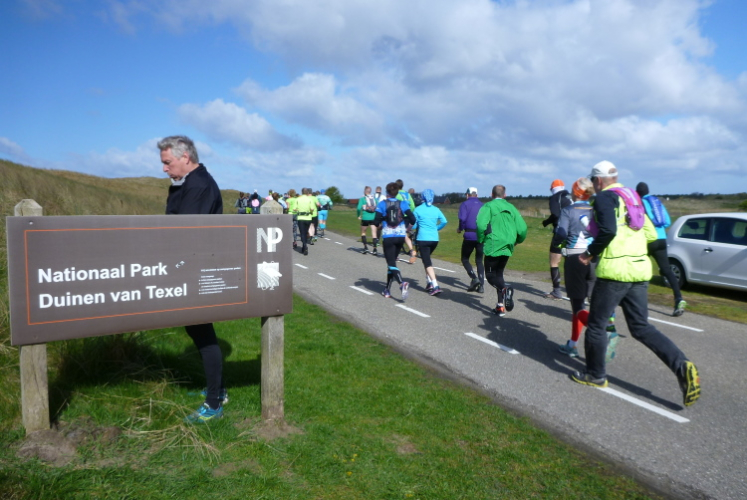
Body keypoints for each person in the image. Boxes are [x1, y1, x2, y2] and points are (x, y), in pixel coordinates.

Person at [572, 161, 701, 408]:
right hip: (640, 271)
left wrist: (589, 253)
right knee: (641, 327)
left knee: (597, 326)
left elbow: (608, 231)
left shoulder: (604, 198)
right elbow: (651, 235)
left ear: (598, 180)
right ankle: (681, 365)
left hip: (615, 272)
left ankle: (595, 375)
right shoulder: (633, 197)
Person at [158, 135, 226, 423]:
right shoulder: (191, 182)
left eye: (168, 162)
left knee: (203, 333)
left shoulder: (198, 186)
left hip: (197, 270)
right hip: (195, 267)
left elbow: (180, 230)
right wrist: (175, 185)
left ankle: (214, 403)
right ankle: (217, 391)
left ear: (185, 157)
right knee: (199, 331)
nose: (164, 169)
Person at [552, 177, 596, 357]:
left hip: (575, 258)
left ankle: (600, 330)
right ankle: (573, 343)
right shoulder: (595, 210)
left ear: (575, 192)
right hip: (594, 258)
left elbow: (561, 233)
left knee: (577, 305)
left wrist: (557, 241)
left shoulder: (568, 210)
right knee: (591, 304)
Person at [636, 182, 687, 317]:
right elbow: (667, 222)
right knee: (666, 270)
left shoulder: (640, 203)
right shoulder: (657, 202)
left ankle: (635, 301)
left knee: (638, 267)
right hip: (662, 239)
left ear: (637, 193)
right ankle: (678, 298)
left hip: (648, 240)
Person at [476, 185, 527, 317]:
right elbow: (522, 229)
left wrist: (481, 239)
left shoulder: (488, 206)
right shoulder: (511, 207)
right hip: (508, 244)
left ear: (491, 194)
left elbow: (481, 225)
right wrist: (517, 240)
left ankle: (505, 290)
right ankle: (500, 305)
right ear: (505, 195)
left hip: (494, 243)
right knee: (499, 274)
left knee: (490, 275)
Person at [374, 182, 416, 299]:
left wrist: (381, 223)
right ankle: (387, 289)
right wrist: (407, 227)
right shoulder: (403, 203)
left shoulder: (382, 204)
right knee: (392, 264)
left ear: (387, 192)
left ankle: (402, 283)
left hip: (388, 236)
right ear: (397, 192)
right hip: (400, 236)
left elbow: (376, 221)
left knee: (391, 263)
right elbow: (413, 219)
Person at [413, 189, 448, 295]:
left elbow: (414, 225)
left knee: (427, 262)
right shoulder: (436, 209)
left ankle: (435, 285)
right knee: (426, 259)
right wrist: (436, 228)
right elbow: (444, 221)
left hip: (423, 238)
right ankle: (429, 282)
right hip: (434, 239)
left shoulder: (418, 209)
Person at [542, 179, 573, 299]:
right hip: (574, 232)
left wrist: (549, 222)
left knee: (554, 261)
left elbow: (555, 214)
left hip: (561, 231)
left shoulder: (555, 197)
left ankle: (556, 291)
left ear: (552, 188)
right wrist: (547, 222)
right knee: (571, 261)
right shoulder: (570, 196)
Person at [457, 187, 485, 293]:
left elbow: (462, 219)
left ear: (467, 195)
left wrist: (460, 228)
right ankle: (481, 286)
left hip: (469, 235)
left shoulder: (465, 204)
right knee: (479, 260)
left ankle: (474, 278)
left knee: (465, 259)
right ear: (476, 195)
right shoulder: (483, 205)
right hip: (480, 236)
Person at [395, 179, 418, 264]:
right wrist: (409, 213)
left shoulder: (396, 194)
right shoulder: (407, 194)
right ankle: (409, 250)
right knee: (403, 234)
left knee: (400, 235)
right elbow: (412, 206)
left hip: (400, 217)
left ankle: (410, 251)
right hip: (407, 216)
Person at [357, 186, 379, 255]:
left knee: (363, 232)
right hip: (373, 217)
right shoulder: (374, 199)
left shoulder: (362, 199)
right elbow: (378, 207)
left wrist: (358, 215)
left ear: (365, 191)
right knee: (374, 233)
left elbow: (358, 208)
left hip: (365, 218)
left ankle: (365, 247)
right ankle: (375, 249)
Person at [296, 188, 317, 255]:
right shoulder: (310, 199)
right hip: (308, 218)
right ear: (307, 192)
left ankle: (304, 245)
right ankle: (304, 246)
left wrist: (299, 210)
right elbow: (312, 209)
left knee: (302, 233)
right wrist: (309, 211)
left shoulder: (298, 199)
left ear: (301, 192)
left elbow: (294, 208)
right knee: (306, 232)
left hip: (300, 217)